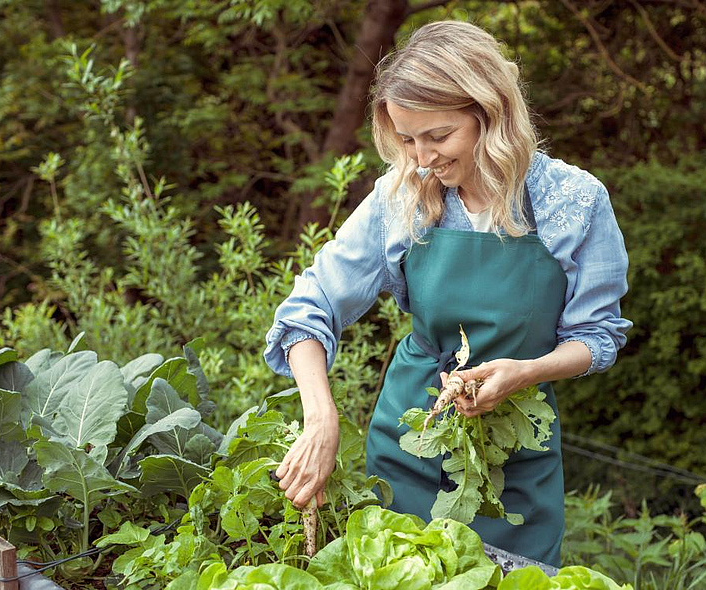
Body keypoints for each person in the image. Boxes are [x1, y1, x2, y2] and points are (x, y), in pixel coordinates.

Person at [262, 20, 631, 566]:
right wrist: (320, 418)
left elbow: (596, 335)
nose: (421, 158)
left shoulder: (572, 202)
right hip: (408, 444)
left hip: (516, 455)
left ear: (492, 116)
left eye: (438, 137)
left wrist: (526, 372)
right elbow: (310, 307)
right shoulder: (401, 197)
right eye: (406, 139)